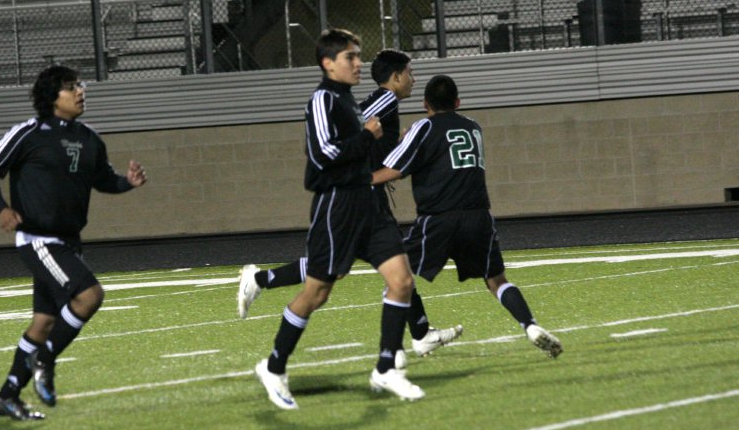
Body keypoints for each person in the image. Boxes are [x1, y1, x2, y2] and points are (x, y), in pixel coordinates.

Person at [238, 49, 463, 363]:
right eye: (410, 73)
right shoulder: (383, 101)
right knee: (348, 269)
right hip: (358, 197)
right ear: (396, 77)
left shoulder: (387, 104)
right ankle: (407, 343)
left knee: (373, 268)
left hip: (366, 194)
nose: (413, 79)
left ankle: (420, 334)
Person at [253, 29, 424, 410]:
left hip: (369, 204)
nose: (358, 62)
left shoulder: (349, 100)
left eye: (358, 55)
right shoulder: (322, 99)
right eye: (350, 57)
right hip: (338, 207)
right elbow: (323, 154)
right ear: (328, 63)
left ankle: (385, 368)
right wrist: (366, 136)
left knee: (402, 281)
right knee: (316, 293)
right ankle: (274, 366)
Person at [0, 65, 147, 421]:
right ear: (52, 97)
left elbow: (104, 181)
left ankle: (7, 395)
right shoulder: (30, 132)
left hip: (68, 242)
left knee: (42, 323)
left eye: (80, 85)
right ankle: (45, 358)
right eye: (71, 87)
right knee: (90, 296)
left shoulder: (89, 139)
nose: (81, 91)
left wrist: (127, 183)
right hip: (39, 239)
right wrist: (2, 209)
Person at [373, 74, 563, 358]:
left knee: (397, 277)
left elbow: (395, 168)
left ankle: (395, 353)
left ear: (425, 103)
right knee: (497, 280)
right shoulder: (473, 127)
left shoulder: (423, 126)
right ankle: (530, 326)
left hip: (438, 218)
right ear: (458, 102)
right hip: (479, 217)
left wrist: (357, 181)